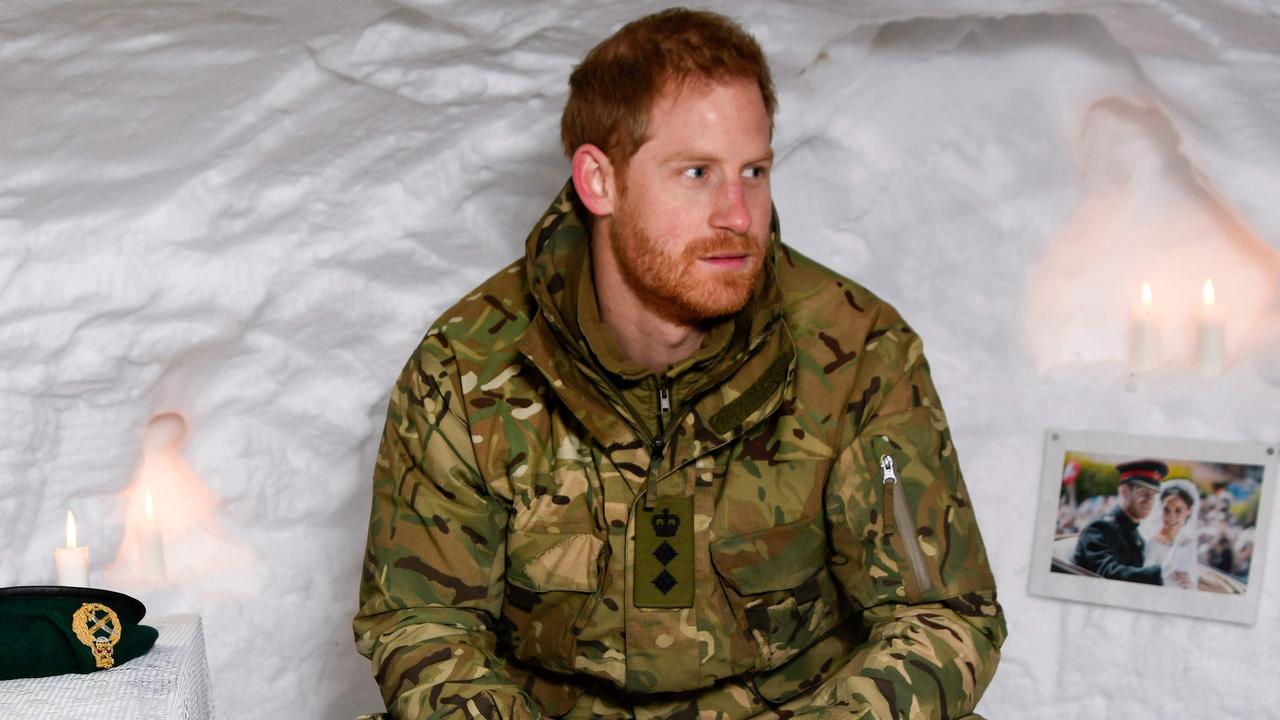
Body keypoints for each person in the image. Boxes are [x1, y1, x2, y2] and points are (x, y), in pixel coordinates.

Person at [354, 9, 1006, 719]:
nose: (738, 213)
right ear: (599, 182)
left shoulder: (856, 352)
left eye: (753, 171)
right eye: (696, 172)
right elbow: (424, 627)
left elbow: (941, 617)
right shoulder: (469, 366)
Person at [1072, 459, 1166, 584]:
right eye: (1142, 491)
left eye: (1154, 494)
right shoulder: (1100, 528)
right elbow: (1108, 573)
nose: (1149, 500)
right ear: (1124, 491)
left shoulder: (1136, 535)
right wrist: (1162, 573)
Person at [1139, 478, 1200, 590]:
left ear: (1189, 511)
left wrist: (1189, 581)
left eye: (1178, 510)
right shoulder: (1153, 543)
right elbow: (1144, 580)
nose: (1171, 517)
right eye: (1166, 510)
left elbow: (1193, 574)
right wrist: (1167, 581)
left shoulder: (1188, 542)